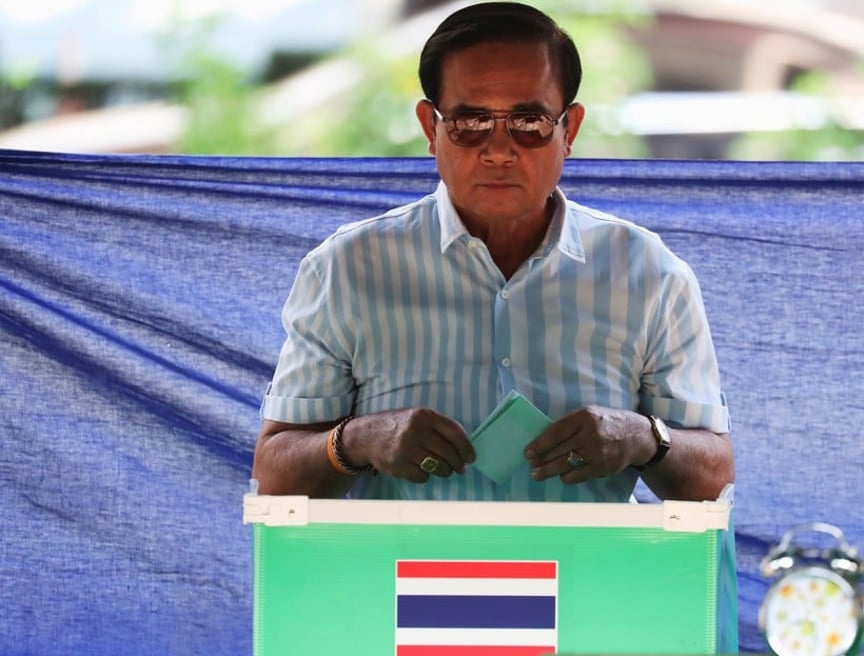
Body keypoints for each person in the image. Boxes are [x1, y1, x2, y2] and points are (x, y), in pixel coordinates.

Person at [252, 1, 733, 503]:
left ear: (569, 130)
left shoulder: (648, 274)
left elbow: (715, 480)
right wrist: (357, 440)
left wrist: (643, 438)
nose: (499, 150)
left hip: (591, 579)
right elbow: (274, 480)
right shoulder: (347, 270)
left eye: (529, 122)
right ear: (429, 128)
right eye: (470, 122)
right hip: (404, 580)